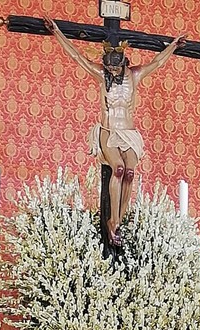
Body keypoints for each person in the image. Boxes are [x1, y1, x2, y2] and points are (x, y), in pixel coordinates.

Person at [47, 18, 184, 246]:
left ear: (123, 62)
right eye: (109, 66)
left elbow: (158, 62)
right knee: (118, 170)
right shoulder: (101, 75)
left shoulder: (135, 75)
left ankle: (118, 220)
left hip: (128, 132)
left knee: (130, 173)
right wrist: (57, 32)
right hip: (108, 131)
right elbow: (76, 57)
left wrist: (173, 46)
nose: (112, 70)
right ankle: (112, 221)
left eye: (116, 66)